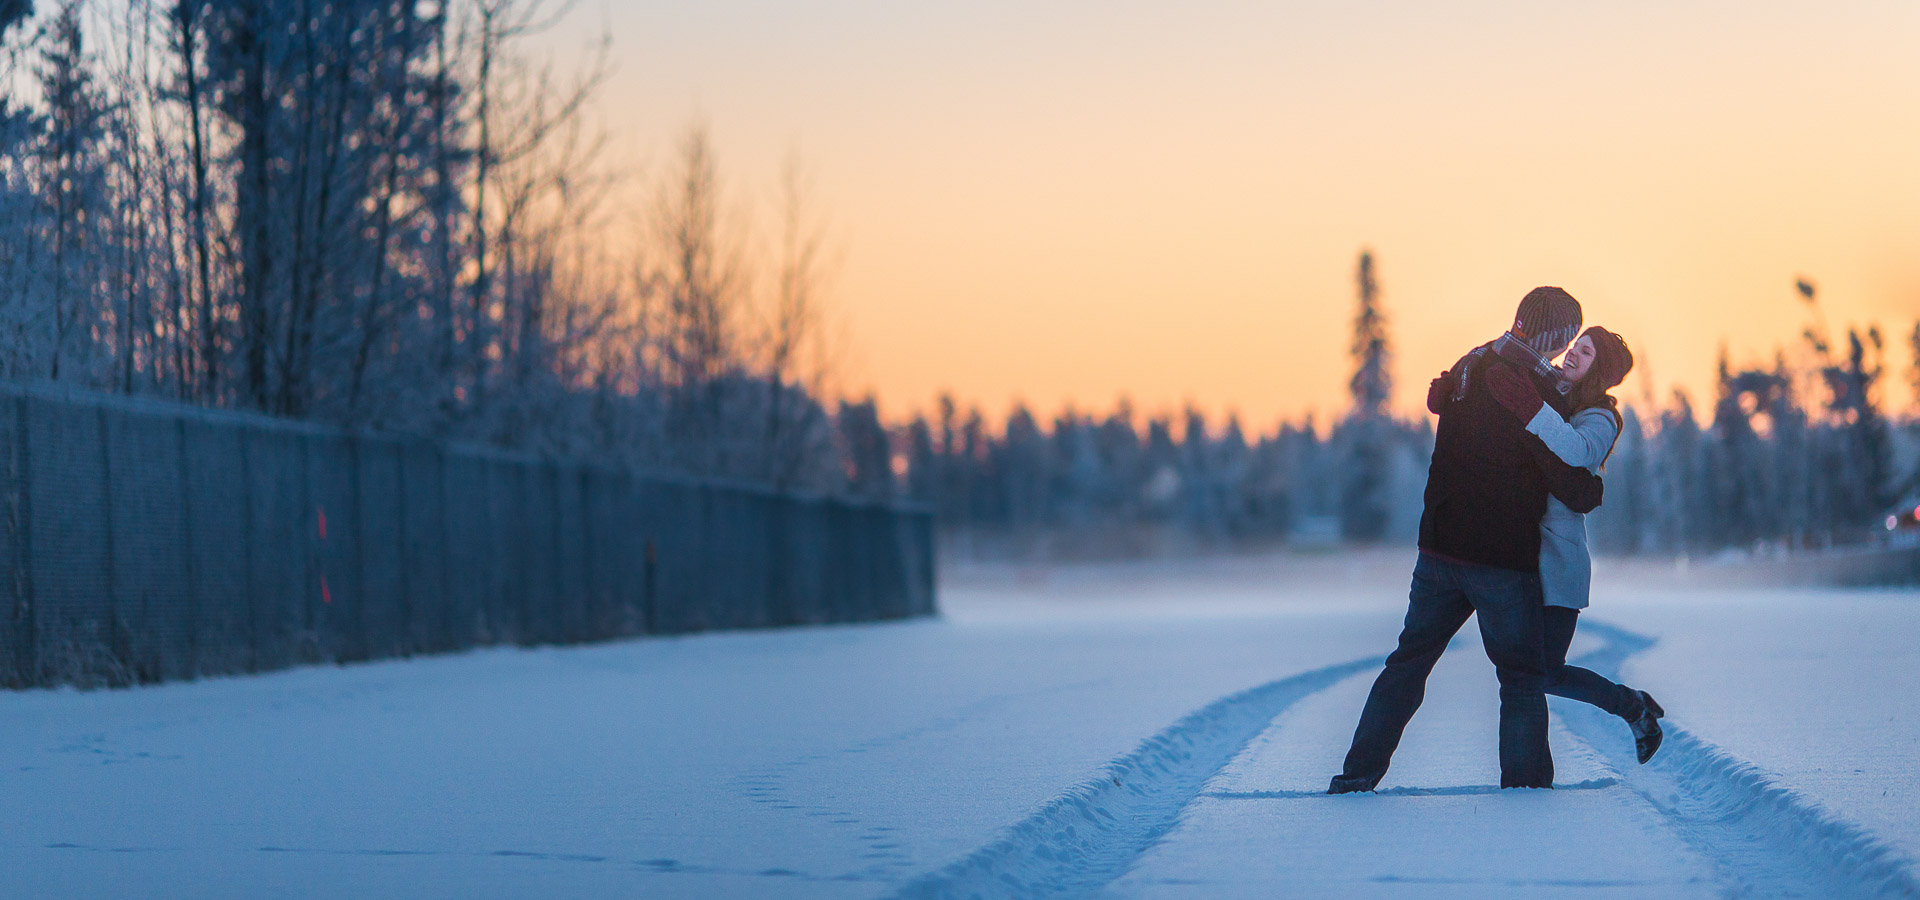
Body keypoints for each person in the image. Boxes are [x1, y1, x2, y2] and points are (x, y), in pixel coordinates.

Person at [1329, 286, 1605, 794]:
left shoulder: (1472, 365)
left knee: (1408, 663)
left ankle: (1356, 775)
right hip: (1501, 560)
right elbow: (1566, 478)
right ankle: (1525, 794)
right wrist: (1592, 485)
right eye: (1568, 336)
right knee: (1522, 679)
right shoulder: (1531, 394)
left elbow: (1438, 401)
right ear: (1558, 335)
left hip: (1438, 550)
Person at [1483, 326, 1667, 764]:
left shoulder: (1601, 418)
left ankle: (1632, 707)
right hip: (1522, 556)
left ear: (1598, 370)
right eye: (1576, 345)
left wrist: (1532, 409)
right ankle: (1529, 768)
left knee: (1546, 671)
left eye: (1585, 352)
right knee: (1525, 672)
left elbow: (1577, 451)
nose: (1573, 353)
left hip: (1560, 564)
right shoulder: (1549, 390)